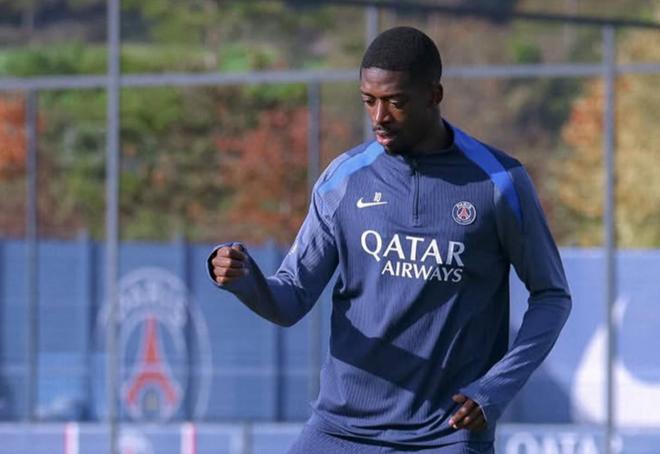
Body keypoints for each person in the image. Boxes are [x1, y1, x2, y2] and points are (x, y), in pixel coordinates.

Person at [208, 26, 571, 453]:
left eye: (396, 102)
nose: (379, 116)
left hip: (444, 435)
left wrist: (494, 389)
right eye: (369, 101)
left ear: (434, 95)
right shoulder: (344, 180)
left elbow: (552, 296)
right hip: (340, 429)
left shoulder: (499, 182)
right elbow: (291, 299)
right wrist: (244, 278)